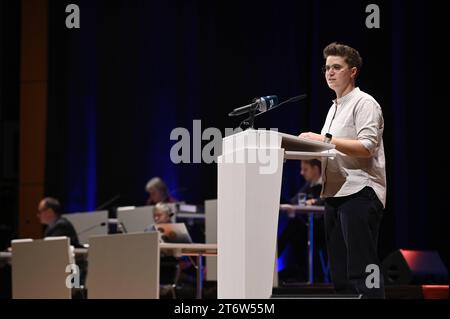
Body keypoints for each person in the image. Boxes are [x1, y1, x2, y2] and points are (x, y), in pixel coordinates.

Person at [299, 42, 386, 298]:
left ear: (353, 71)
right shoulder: (333, 108)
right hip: (335, 194)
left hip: (360, 191)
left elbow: (367, 147)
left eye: (337, 67)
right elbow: (331, 149)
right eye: (327, 68)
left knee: (361, 269)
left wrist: (323, 139)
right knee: (341, 275)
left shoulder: (365, 103)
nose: (330, 73)